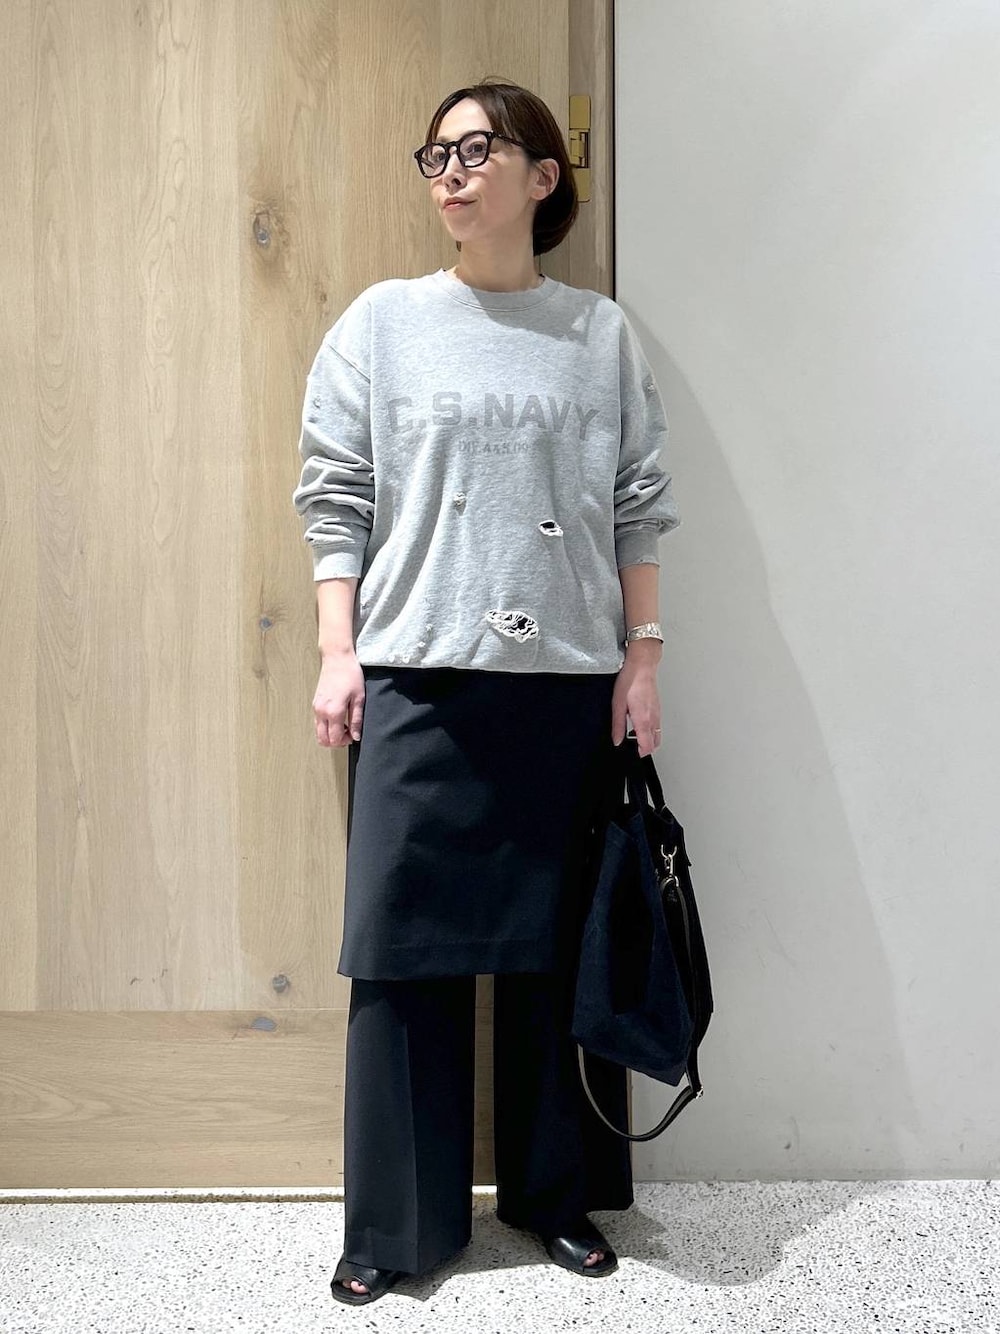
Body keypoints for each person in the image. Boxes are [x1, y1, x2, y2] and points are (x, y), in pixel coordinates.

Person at [291, 78, 680, 1307]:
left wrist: (643, 655)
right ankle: (396, 1223)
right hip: (416, 672)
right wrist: (338, 649)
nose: (450, 171)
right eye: (435, 154)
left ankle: (555, 1199)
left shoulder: (597, 334)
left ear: (543, 174)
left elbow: (637, 500)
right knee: (402, 955)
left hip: (563, 679)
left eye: (476, 148)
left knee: (558, 951)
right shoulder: (384, 323)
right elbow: (334, 491)